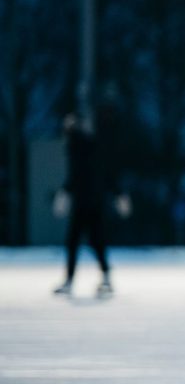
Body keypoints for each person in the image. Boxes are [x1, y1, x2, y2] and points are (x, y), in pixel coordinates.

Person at [53, 113, 131, 298]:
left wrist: (65, 192)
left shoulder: (79, 149)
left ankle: (87, 280)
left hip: (87, 203)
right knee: (91, 241)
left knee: (82, 241)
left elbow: (82, 175)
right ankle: (98, 278)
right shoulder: (87, 148)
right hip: (91, 202)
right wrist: (118, 194)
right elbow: (105, 174)